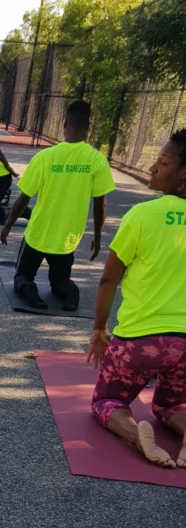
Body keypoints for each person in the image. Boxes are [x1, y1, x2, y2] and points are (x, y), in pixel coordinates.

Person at [86, 130, 186, 469]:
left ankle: (133, 433)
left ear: (183, 173)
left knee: (107, 400)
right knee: (171, 406)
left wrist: (100, 327)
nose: (153, 167)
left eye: (163, 162)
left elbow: (109, 279)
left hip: (140, 342)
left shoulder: (142, 216)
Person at [0, 100, 115, 311]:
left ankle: (31, 293)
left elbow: (24, 197)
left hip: (38, 234)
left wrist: (8, 225)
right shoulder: (97, 160)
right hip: (67, 237)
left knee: (23, 276)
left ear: (64, 123)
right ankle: (70, 294)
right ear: (88, 127)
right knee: (59, 280)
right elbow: (100, 205)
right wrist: (97, 237)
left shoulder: (45, 157)